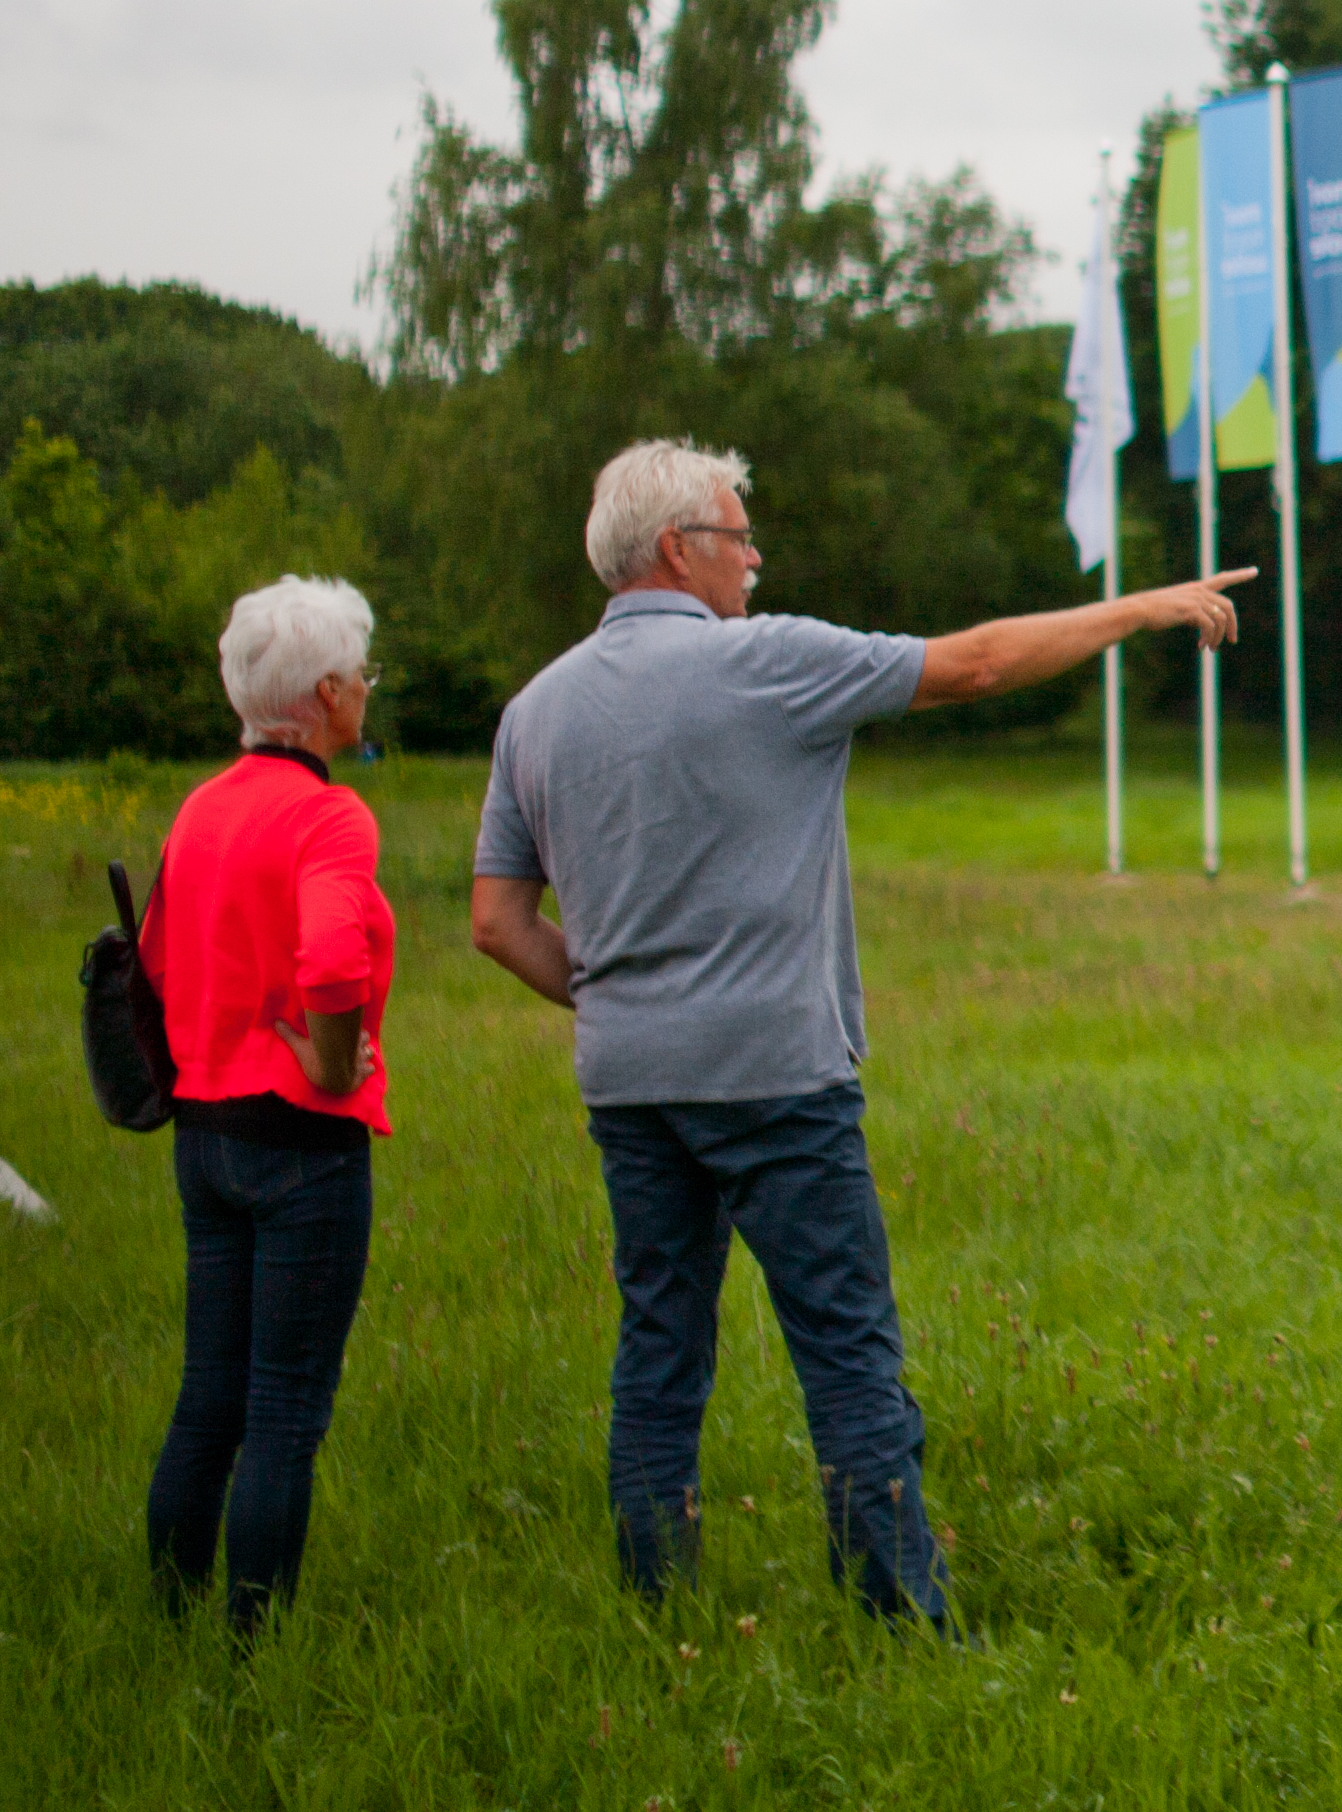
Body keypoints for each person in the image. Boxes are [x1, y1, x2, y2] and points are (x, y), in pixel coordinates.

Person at [469, 438, 1244, 1625]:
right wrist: (1139, 607)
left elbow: (495, 921)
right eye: (737, 538)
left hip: (630, 1083)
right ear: (678, 548)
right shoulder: (769, 662)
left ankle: (655, 1614)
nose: (755, 561)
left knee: (659, 1352)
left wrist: (617, 994)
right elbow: (977, 666)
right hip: (775, 1073)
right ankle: (900, 1620)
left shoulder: (534, 711)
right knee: (844, 1347)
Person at [142, 575, 397, 1634]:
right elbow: (333, 962)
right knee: (287, 1410)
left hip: (203, 1134)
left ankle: (170, 1617)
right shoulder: (329, 817)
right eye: (364, 676)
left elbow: (157, 956)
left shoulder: (200, 808)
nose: (368, 693)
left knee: (211, 1394)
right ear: (329, 693)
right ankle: (256, 1646)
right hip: (302, 1143)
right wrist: (334, 1062)